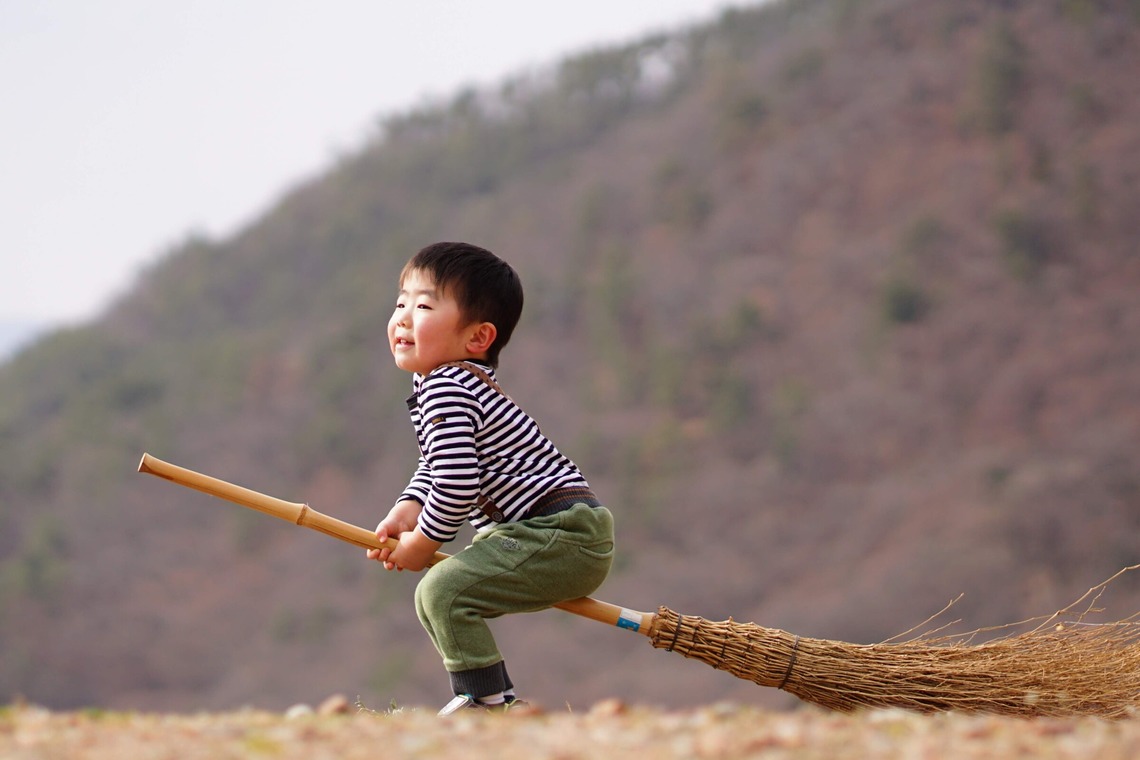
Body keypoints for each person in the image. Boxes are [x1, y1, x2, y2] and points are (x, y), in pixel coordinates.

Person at [366, 241, 615, 715]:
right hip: (547, 533)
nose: (401, 317)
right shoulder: (446, 382)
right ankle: (497, 700)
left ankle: (485, 704)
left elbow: (458, 484)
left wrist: (422, 543)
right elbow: (441, 466)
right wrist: (410, 505)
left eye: (422, 306)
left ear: (478, 338)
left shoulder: (447, 387)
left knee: (440, 591)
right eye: (400, 303)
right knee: (437, 599)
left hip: (559, 535)